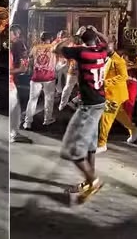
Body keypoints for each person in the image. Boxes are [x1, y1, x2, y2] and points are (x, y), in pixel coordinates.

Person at [55, 25, 111, 205]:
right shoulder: (101, 50)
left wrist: (73, 36)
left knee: (72, 149)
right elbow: (108, 42)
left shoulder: (80, 52)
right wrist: (96, 32)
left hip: (88, 106)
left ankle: (93, 181)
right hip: (100, 102)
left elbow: (57, 48)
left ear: (81, 39)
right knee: (90, 146)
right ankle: (89, 182)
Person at [97, 43, 137, 151]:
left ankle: (102, 144)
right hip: (113, 94)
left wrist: (105, 82)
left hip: (114, 95)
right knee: (120, 115)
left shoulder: (118, 61)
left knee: (106, 118)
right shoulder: (108, 59)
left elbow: (123, 76)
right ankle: (134, 131)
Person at [25, 32, 57, 129]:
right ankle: (47, 119)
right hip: (49, 77)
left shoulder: (36, 47)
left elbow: (29, 57)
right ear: (50, 38)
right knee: (49, 99)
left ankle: (27, 122)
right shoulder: (54, 47)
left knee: (32, 100)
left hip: (36, 76)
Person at [8, 44, 31, 144]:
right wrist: (20, 70)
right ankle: (11, 134)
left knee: (16, 111)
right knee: (12, 110)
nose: (25, 53)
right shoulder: (10, 54)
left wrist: (22, 69)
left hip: (12, 86)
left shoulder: (13, 55)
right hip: (9, 87)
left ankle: (14, 133)